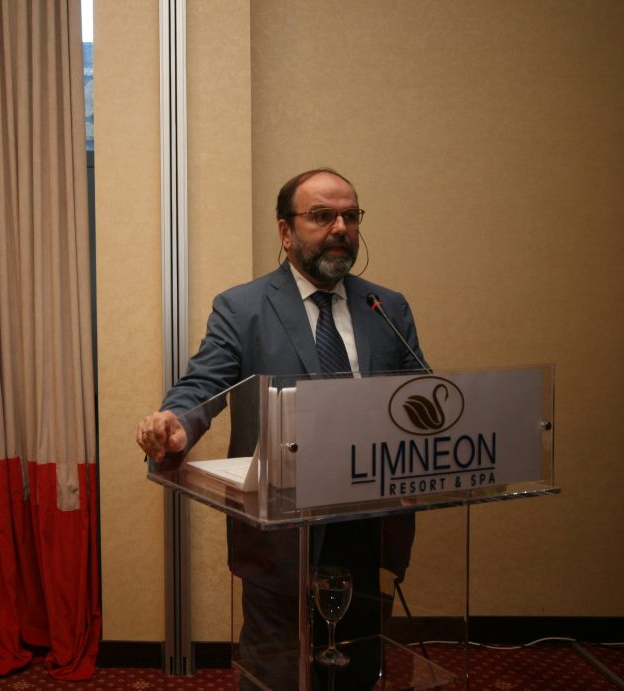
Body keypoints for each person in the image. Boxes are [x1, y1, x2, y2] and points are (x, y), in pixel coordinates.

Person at [136, 168, 426, 690]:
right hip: (281, 528)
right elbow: (203, 384)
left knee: (357, 668)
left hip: (367, 524)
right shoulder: (242, 307)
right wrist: (176, 423)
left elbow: (419, 396)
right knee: (276, 673)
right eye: (322, 216)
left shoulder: (386, 306)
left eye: (350, 216)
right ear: (286, 232)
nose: (341, 228)